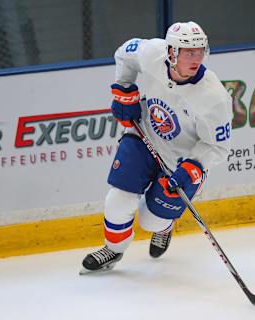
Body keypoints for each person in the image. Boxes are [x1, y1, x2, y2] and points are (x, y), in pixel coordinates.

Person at [81, 21, 232, 273]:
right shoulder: (152, 53)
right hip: (144, 136)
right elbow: (123, 55)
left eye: (200, 51)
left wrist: (193, 167)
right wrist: (124, 89)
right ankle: (113, 250)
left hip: (179, 162)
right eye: (189, 52)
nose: (197, 58)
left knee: (150, 221)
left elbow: (218, 146)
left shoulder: (213, 97)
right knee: (117, 200)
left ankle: (163, 227)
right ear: (172, 52)